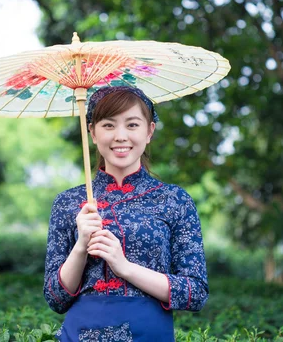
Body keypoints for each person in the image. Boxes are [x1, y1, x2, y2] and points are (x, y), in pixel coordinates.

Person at [43, 86, 208, 341]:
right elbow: (55, 298)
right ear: (92, 132)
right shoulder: (69, 202)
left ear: (149, 131)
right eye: (108, 125)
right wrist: (80, 246)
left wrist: (125, 267)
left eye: (132, 125)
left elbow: (195, 292)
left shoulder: (175, 201)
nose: (120, 136)